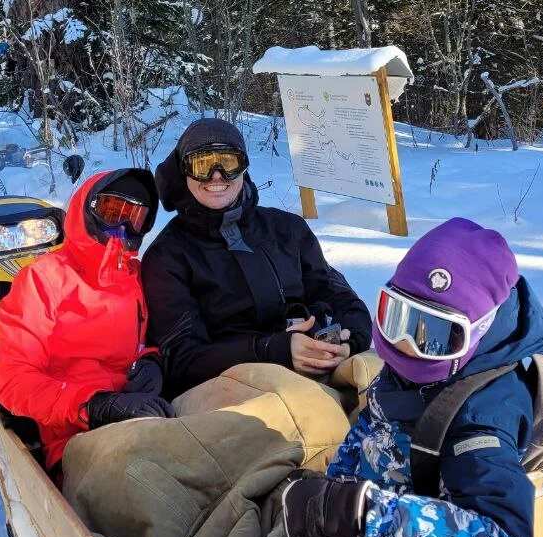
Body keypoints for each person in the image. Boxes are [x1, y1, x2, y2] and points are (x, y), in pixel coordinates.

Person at [279, 218, 543, 537]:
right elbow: (370, 428)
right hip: (379, 519)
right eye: (397, 317)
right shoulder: (413, 369)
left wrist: (363, 515)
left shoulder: (481, 420)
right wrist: (334, 490)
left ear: (477, 330)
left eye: (434, 335)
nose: (407, 344)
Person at [142, 119, 372, 400]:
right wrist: (274, 349)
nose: (217, 176)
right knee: (309, 409)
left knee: (379, 375)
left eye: (228, 163)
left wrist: (349, 341)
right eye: (202, 166)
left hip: (317, 365)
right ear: (183, 172)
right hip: (228, 387)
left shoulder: (288, 230)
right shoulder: (168, 257)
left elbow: (341, 298)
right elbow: (181, 358)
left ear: (244, 167)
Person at [0, 168, 172, 474]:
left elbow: (143, 342)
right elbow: (14, 383)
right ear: (87, 209)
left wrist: (150, 361)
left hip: (138, 414)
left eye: (135, 216)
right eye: (113, 210)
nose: (123, 226)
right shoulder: (43, 279)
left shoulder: (134, 278)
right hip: (74, 438)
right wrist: (93, 406)